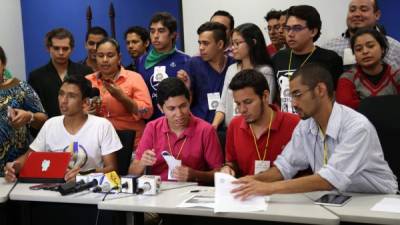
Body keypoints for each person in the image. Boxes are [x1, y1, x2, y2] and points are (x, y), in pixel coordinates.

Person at [231, 63, 398, 199]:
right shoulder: (305, 125)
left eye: (298, 94)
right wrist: (251, 181)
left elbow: (328, 179)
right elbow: (285, 167)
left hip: (377, 200)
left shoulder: (357, 127)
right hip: (336, 198)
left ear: (320, 90)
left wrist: (268, 188)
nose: (294, 103)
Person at [4, 75, 121, 182]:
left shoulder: (102, 126)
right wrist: (14, 166)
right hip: (53, 191)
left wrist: (82, 176)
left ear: (84, 102)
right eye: (61, 94)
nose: (63, 100)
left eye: (71, 96)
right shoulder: (51, 124)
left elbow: (112, 170)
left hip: (89, 192)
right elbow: (30, 157)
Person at [128, 77, 223, 183]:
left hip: (192, 191)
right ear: (160, 108)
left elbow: (219, 174)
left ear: (189, 101)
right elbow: (132, 173)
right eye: (171, 109)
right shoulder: (152, 128)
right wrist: (142, 163)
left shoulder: (206, 130)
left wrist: (195, 175)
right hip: (159, 191)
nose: (179, 114)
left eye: (183, 106)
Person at [220, 69, 299, 177]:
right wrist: (228, 168)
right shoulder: (235, 125)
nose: (242, 109)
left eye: (248, 102)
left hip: (285, 192)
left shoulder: (295, 124)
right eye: (238, 104)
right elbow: (233, 162)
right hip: (249, 191)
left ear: (265, 96)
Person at [273, 5, 343, 114]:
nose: (290, 34)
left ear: (313, 31)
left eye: (297, 28)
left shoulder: (330, 59)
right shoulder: (278, 58)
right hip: (288, 124)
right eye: (287, 28)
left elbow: (335, 98)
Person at [86, 38, 153, 146]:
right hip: (97, 144)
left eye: (110, 55)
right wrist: (85, 114)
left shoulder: (134, 78)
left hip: (132, 145)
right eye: (100, 55)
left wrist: (123, 98)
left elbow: (147, 112)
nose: (105, 60)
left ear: (119, 58)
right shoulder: (88, 81)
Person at [212, 23, 276, 129]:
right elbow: (223, 103)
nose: (233, 48)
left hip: (254, 129)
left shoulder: (265, 71)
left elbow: (266, 105)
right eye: (232, 44)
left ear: (253, 43)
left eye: (237, 43)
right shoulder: (231, 69)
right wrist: (214, 125)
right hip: (231, 129)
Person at [0, 46, 47, 175]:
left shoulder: (20, 88)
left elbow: (44, 120)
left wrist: (30, 116)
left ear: (3, 63)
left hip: (15, 168)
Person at [28, 28, 93, 118]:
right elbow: (34, 110)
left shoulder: (85, 72)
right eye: (56, 48)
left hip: (80, 126)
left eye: (65, 48)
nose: (61, 52)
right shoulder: (36, 77)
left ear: (72, 49)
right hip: (49, 128)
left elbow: (90, 103)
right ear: (48, 48)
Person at [177, 22, 234, 124]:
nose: (201, 47)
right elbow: (184, 104)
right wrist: (187, 88)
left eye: (206, 43)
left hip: (228, 126)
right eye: (199, 43)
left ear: (220, 44)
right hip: (200, 127)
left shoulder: (233, 65)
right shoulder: (193, 64)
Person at [137, 12, 190, 120]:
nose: (155, 36)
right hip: (149, 124)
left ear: (173, 35)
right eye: (152, 31)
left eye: (161, 31)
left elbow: (191, 98)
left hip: (177, 121)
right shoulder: (141, 61)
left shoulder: (186, 60)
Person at [323, 0, 400, 69]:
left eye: (363, 10)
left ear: (377, 15)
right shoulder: (329, 48)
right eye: (352, 10)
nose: (356, 14)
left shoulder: (395, 48)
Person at [336, 28, 400, 109]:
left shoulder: (397, 76)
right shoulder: (347, 78)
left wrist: (364, 104)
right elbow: (345, 109)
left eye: (370, 46)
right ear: (354, 54)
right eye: (359, 49)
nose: (365, 51)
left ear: (382, 49)